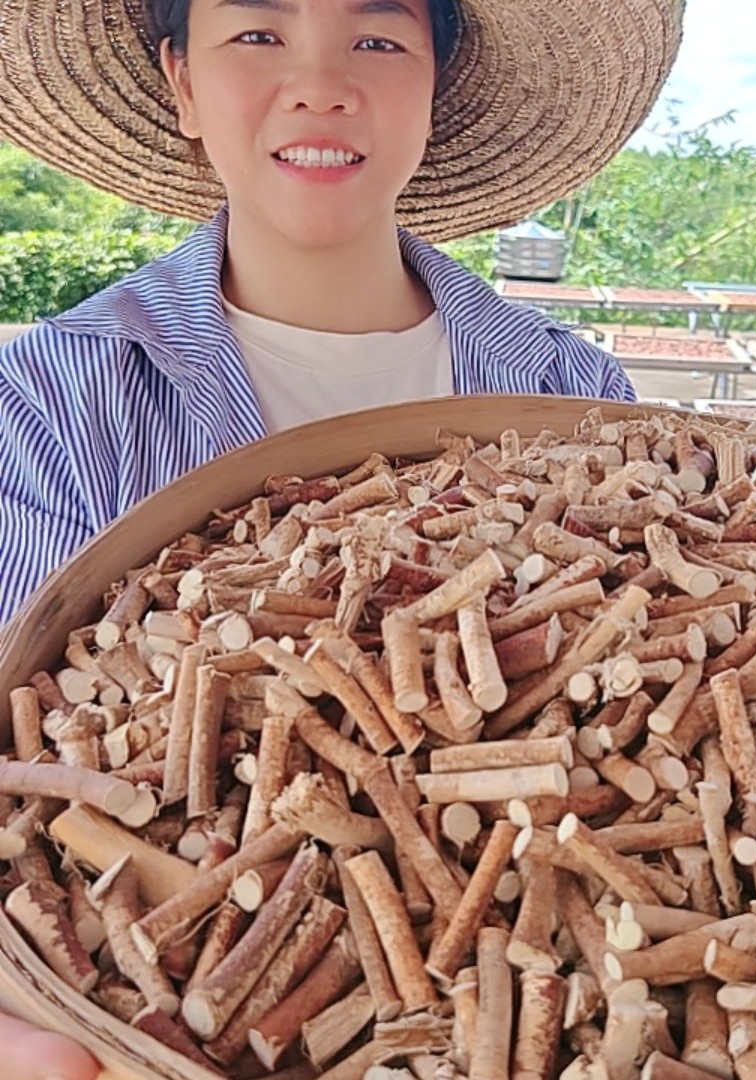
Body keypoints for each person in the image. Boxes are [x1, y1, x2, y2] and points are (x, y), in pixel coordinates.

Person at [0, 0, 684, 1074]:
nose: (320, 86)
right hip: (194, 1004)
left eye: (377, 39)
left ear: (438, 83)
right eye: (257, 34)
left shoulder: (569, 390)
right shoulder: (55, 399)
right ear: (182, 82)